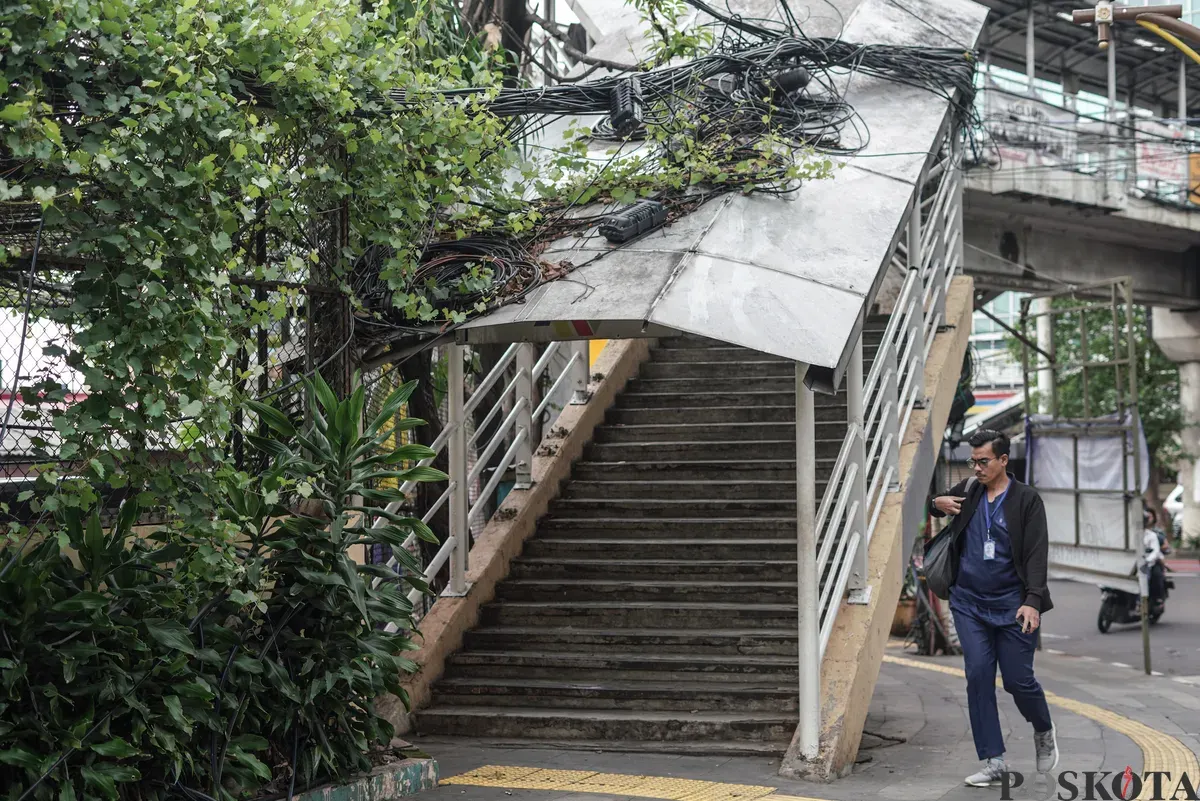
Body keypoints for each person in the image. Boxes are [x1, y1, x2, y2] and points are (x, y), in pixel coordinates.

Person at [930, 429, 1058, 787]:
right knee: (978, 676)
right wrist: (935, 503)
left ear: (1003, 460)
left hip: (1013, 608)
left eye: (983, 461)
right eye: (973, 461)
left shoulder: (1027, 500)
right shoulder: (970, 490)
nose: (977, 468)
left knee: (1019, 681)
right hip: (969, 603)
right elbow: (933, 501)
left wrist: (1033, 601)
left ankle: (1043, 728)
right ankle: (993, 760)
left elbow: (1036, 554)